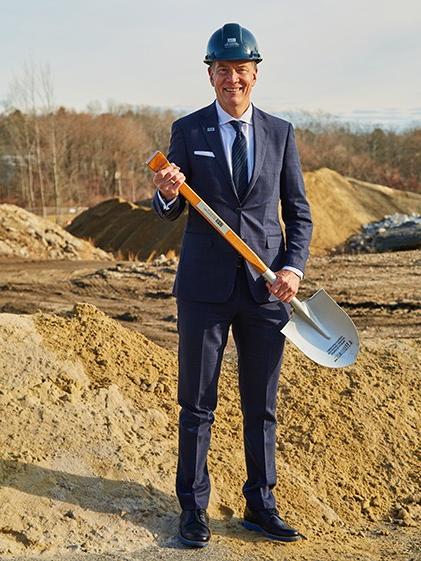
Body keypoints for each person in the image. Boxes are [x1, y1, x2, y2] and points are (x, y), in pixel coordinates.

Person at [152, 23, 312, 547]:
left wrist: (291, 268)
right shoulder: (189, 131)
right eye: (223, 70)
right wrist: (166, 192)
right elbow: (169, 209)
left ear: (255, 74)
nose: (233, 79)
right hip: (204, 290)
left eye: (241, 70)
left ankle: (260, 504)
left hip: (267, 290)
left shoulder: (280, 132)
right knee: (197, 403)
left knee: (260, 403)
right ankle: (192, 509)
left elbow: (298, 213)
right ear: (211, 74)